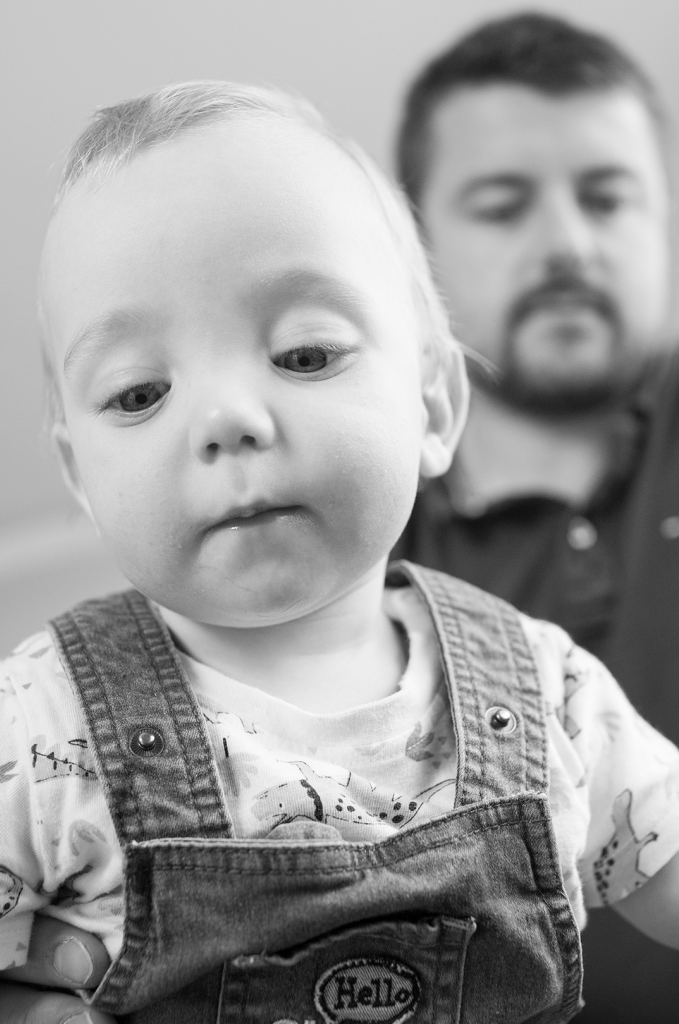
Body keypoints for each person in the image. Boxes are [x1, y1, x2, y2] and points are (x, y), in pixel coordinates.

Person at [0, 80, 679, 1024]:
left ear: (433, 405)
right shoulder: (33, 729)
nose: (228, 417)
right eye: (138, 393)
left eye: (305, 355)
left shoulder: (546, 693)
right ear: (80, 473)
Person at [392, 11, 679, 1021]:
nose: (565, 244)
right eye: (502, 206)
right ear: (416, 255)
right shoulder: (341, 559)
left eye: (605, 197)